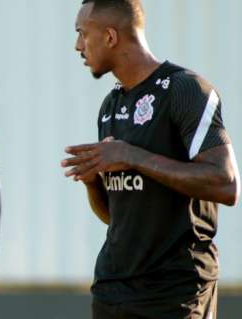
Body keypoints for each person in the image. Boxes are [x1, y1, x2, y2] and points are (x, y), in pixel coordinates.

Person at [61, 0, 237, 317]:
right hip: (112, 292)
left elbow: (225, 184)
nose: (77, 46)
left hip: (176, 294)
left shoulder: (186, 90)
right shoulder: (111, 105)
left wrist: (132, 156)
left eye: (82, 34)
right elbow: (118, 217)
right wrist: (92, 182)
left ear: (110, 37)